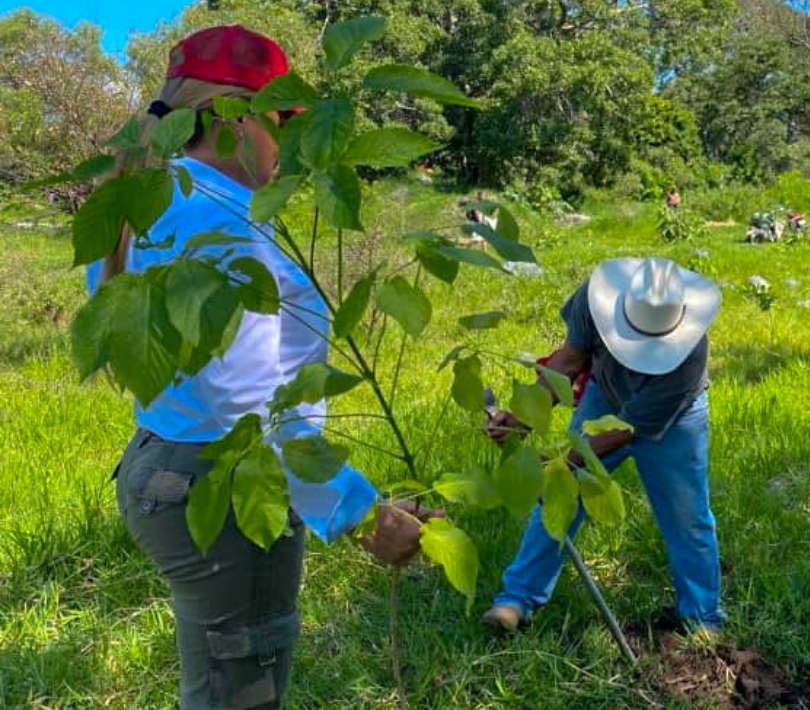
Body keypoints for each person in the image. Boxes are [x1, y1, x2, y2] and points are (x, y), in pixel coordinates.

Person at [87, 26, 426, 708]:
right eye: (284, 122)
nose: (293, 145)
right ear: (239, 118)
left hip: (167, 460)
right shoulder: (221, 223)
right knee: (239, 690)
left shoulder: (151, 199)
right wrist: (363, 515)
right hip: (225, 474)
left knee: (221, 680)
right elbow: (249, 403)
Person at [481, 257, 726, 636]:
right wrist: (522, 419)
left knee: (687, 516)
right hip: (604, 396)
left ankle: (702, 617)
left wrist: (563, 459)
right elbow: (568, 361)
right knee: (560, 498)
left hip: (674, 420)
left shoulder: (689, 357)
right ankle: (517, 599)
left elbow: (629, 428)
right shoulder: (594, 301)